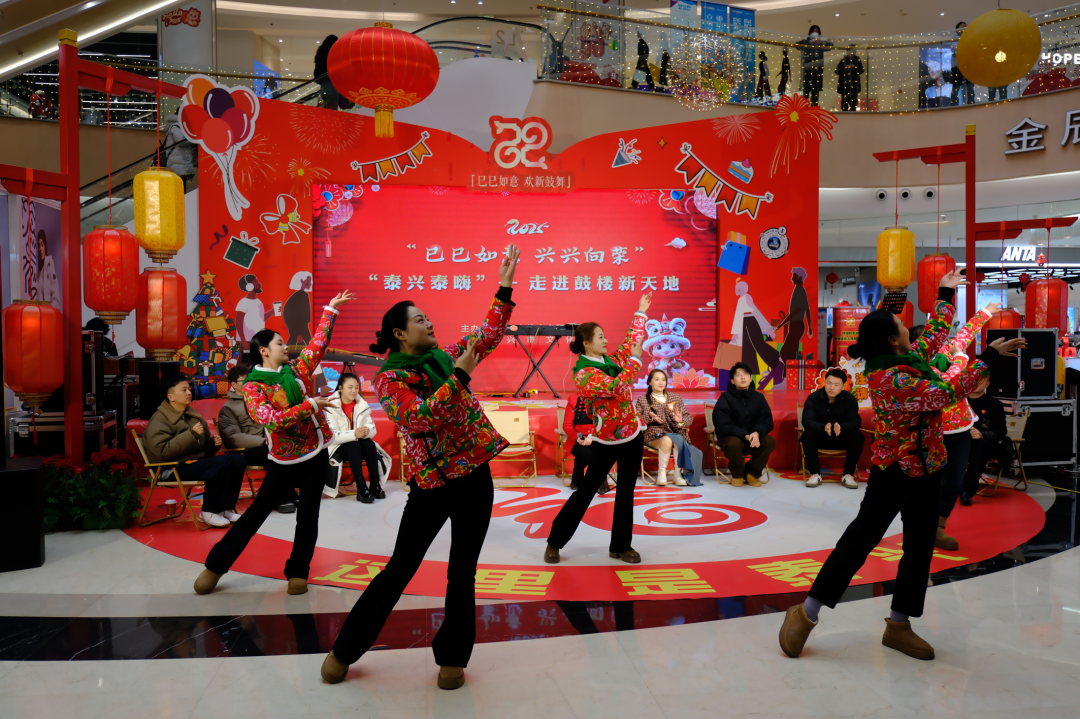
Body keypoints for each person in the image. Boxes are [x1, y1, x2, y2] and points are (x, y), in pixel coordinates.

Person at [778, 271, 1025, 662]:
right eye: (901, 325)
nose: (910, 328)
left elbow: (935, 335)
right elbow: (945, 393)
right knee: (859, 542)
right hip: (893, 471)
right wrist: (989, 357)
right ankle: (806, 612)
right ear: (893, 339)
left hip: (929, 468)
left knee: (919, 548)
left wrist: (946, 291)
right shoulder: (890, 377)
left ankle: (899, 624)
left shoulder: (907, 358)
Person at [321, 247, 520, 691]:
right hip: (432, 486)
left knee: (463, 572)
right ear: (399, 333)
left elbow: (487, 335)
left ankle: (453, 659)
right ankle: (344, 651)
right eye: (419, 320)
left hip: (475, 478)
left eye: (428, 318)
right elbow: (419, 419)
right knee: (400, 569)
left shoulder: (445, 357)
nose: (429, 323)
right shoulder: (390, 378)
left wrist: (504, 286)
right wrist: (460, 377)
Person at [194, 289, 355, 597]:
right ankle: (215, 566)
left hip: (315, 453)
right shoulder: (253, 387)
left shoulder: (296, 371)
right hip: (283, 460)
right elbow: (273, 420)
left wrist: (331, 310)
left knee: (308, 517)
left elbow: (317, 346)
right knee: (255, 515)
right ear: (264, 351)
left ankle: (298, 572)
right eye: (279, 343)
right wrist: (311, 405)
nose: (286, 346)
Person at [544, 293, 652, 567]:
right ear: (586, 342)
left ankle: (621, 546)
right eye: (600, 337)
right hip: (606, 441)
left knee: (626, 492)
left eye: (605, 336)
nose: (606, 340)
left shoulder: (611, 361)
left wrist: (641, 311)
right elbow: (614, 387)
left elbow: (631, 341)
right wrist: (635, 361)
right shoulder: (583, 373)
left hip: (632, 434)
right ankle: (555, 541)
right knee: (586, 491)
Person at [928, 303, 998, 550]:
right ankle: (923, 527)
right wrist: (962, 358)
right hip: (933, 432)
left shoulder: (945, 352)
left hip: (961, 429)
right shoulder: (918, 366)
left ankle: (938, 527)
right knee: (930, 484)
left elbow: (966, 333)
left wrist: (986, 312)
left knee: (954, 483)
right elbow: (948, 383)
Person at [144, 375, 246, 528]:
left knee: (237, 460)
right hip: (171, 468)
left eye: (189, 389)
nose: (189, 392)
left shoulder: (191, 415)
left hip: (192, 462)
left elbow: (203, 449)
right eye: (184, 389)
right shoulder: (159, 420)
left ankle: (225, 508)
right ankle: (210, 510)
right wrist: (191, 435)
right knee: (220, 464)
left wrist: (212, 444)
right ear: (170, 396)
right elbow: (162, 451)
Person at [218, 364, 296, 514]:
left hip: (267, 443)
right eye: (244, 380)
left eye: (250, 379)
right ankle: (280, 498)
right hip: (247, 450)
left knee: (288, 446)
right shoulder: (228, 408)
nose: (249, 382)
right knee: (272, 453)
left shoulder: (260, 399)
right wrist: (263, 441)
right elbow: (233, 437)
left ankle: (290, 492)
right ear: (233, 384)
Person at [324, 372, 392, 502]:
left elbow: (372, 428)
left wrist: (366, 431)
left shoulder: (361, 404)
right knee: (353, 445)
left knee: (369, 443)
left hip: (358, 445)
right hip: (337, 447)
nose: (354, 391)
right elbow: (333, 436)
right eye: (350, 387)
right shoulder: (330, 405)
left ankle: (374, 484)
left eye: (356, 387)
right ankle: (361, 487)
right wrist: (354, 434)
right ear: (340, 387)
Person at [635, 369, 704, 486]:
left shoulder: (675, 397)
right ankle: (661, 473)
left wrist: (681, 421)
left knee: (677, 438)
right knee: (669, 438)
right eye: (657, 379)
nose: (660, 382)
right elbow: (637, 420)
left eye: (663, 380)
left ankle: (677, 474)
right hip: (654, 435)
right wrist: (650, 417)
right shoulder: (643, 400)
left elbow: (688, 418)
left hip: (676, 434)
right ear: (650, 382)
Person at [712, 362, 775, 487]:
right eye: (738, 375)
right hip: (732, 438)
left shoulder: (759, 398)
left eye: (746, 374)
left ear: (751, 378)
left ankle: (752, 473)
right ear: (732, 381)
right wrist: (745, 435)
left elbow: (766, 421)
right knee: (733, 443)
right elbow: (722, 424)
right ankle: (737, 474)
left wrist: (757, 432)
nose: (742, 377)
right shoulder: (725, 398)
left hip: (753, 437)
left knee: (769, 441)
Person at [801, 368, 863, 489]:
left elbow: (856, 422)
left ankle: (847, 475)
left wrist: (842, 427)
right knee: (807, 434)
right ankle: (815, 474)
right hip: (820, 438)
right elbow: (807, 421)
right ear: (824, 383)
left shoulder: (850, 399)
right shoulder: (813, 398)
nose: (831, 387)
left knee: (857, 436)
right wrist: (823, 427)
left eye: (836, 384)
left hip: (841, 438)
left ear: (843, 386)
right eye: (829, 383)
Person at [960, 379, 1010, 504]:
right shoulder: (960, 402)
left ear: (987, 384)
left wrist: (982, 434)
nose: (976, 382)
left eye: (980, 380)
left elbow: (1001, 432)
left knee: (981, 445)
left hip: (985, 445)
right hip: (962, 441)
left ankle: (966, 491)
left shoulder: (994, 404)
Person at [560, 393, 614, 494]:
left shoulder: (603, 399)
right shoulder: (574, 400)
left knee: (600, 452)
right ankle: (580, 481)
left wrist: (591, 436)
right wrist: (577, 438)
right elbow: (567, 425)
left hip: (597, 438)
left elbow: (606, 424)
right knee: (584, 453)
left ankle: (597, 480)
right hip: (577, 439)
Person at [732, 280, 782, 388]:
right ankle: (750, 374)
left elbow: (753, 312)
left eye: (736, 288)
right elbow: (746, 315)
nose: (735, 290)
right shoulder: (743, 299)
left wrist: (767, 329)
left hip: (749, 323)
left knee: (757, 345)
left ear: (740, 289)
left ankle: (776, 357)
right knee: (749, 349)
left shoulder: (745, 298)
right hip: (747, 323)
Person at [774, 267, 813, 378]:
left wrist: (782, 323)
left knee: (785, 352)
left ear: (799, 277)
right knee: (791, 351)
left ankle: (787, 375)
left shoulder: (799, 291)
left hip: (796, 326)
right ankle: (789, 375)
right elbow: (806, 309)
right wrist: (809, 327)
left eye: (794, 276)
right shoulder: (799, 290)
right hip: (797, 325)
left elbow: (796, 312)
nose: (791, 278)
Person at [235, 275, 275, 350]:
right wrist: (243, 340)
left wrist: (272, 312)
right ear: (249, 286)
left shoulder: (258, 302)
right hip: (248, 341)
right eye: (256, 282)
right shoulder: (243, 302)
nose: (260, 284)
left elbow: (260, 319)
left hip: (258, 339)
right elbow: (238, 322)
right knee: (246, 357)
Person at [313, 35, 353, 110]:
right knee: (331, 107)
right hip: (330, 81)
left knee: (327, 105)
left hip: (324, 83)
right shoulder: (331, 54)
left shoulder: (321, 53)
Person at [801, 25, 833, 106]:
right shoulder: (806, 41)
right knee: (806, 91)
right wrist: (810, 42)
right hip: (808, 70)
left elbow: (831, 46)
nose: (815, 33)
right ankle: (804, 108)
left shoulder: (820, 43)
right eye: (813, 31)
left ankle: (814, 108)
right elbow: (798, 45)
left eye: (816, 31)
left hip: (818, 71)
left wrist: (822, 42)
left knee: (815, 91)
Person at [283, 271, 313, 346]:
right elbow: (288, 315)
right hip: (300, 329)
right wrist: (296, 333)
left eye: (310, 282)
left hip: (301, 328)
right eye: (308, 282)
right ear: (302, 281)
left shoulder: (303, 295)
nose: (310, 284)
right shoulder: (300, 296)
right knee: (310, 346)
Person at [34, 230, 61, 310]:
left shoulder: (50, 265)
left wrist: (48, 310)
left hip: (48, 314)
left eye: (42, 245)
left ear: (45, 246)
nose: (40, 249)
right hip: (39, 314)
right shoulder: (38, 270)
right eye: (39, 245)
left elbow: (56, 300)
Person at [950, 23, 975, 106]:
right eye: (963, 25)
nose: (965, 26)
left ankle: (971, 102)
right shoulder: (955, 39)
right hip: (957, 66)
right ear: (958, 29)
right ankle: (954, 104)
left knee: (970, 86)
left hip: (968, 65)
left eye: (966, 25)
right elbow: (955, 50)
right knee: (956, 86)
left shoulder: (969, 38)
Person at [836, 46, 864, 111]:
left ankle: (853, 109)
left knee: (853, 97)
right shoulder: (843, 60)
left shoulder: (857, 60)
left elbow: (862, 70)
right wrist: (845, 68)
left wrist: (855, 67)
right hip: (844, 83)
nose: (851, 53)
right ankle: (845, 109)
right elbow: (837, 71)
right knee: (845, 98)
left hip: (853, 82)